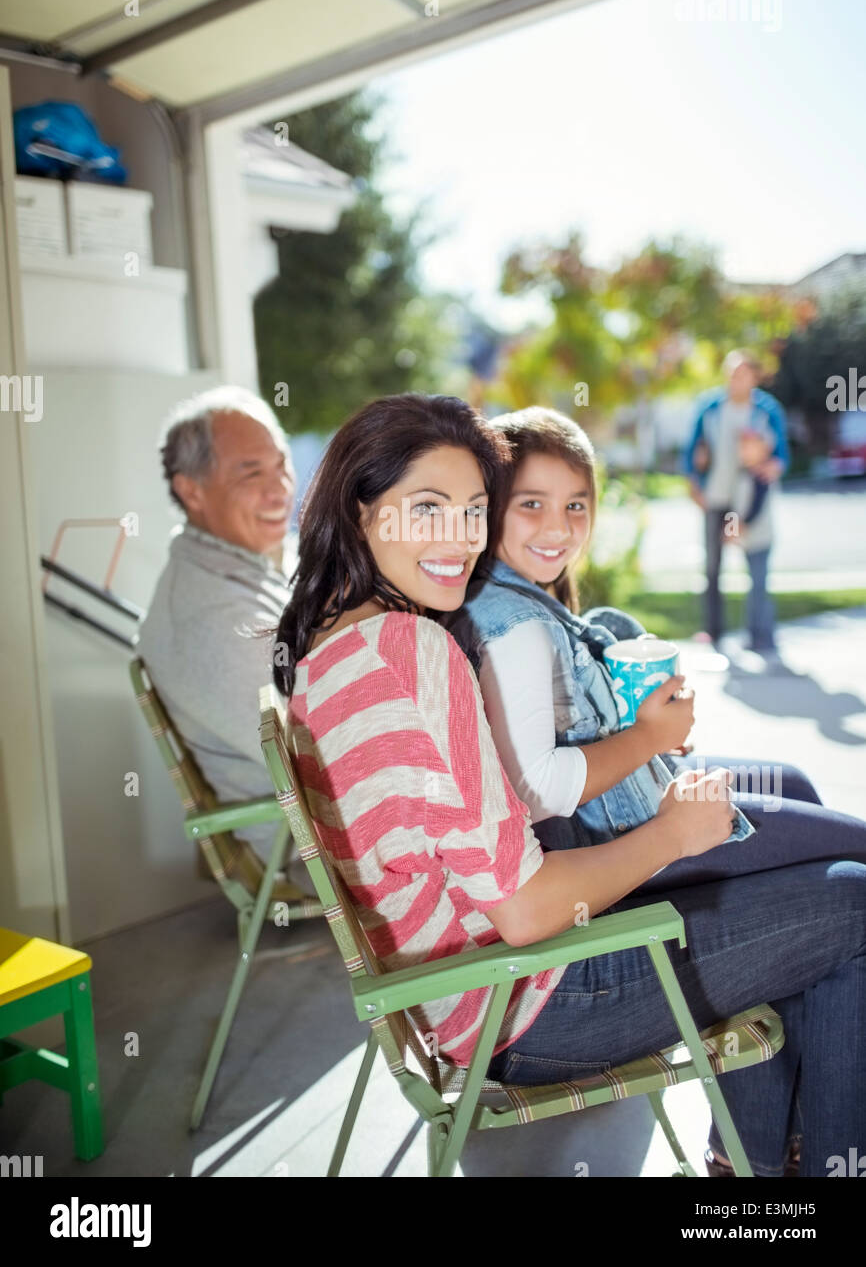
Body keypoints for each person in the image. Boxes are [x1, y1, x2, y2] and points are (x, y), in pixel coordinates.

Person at [272, 391, 866, 1178]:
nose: (459, 538)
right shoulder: (413, 652)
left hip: (463, 998)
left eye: (473, 509)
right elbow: (525, 910)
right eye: (427, 508)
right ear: (360, 512)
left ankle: (759, 1168)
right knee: (854, 902)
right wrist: (671, 837)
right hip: (526, 1007)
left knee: (808, 895)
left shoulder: (324, 654)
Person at [138, 386, 295, 859]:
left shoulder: (247, 563)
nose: (280, 490)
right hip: (317, 852)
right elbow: (317, 757)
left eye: (281, 465)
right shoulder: (212, 614)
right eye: (251, 473)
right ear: (192, 490)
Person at [683, 350, 789, 653]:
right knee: (713, 567)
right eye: (731, 372)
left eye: (741, 372)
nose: (734, 378)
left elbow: (781, 453)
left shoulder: (768, 410)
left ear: (754, 376)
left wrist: (773, 466)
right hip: (716, 498)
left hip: (747, 497)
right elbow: (692, 449)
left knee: (755, 564)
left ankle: (760, 635)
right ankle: (714, 631)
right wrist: (693, 481)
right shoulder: (709, 407)